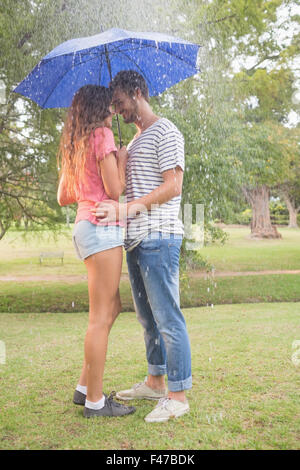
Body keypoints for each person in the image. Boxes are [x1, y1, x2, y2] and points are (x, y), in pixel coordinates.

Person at [93, 71, 192, 423]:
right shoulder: (134, 142)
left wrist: (125, 209)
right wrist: (121, 159)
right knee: (147, 319)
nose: (116, 110)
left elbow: (173, 186)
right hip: (135, 239)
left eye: (120, 102)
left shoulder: (166, 131)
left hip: (160, 236)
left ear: (137, 93)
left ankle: (177, 395)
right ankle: (155, 381)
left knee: (168, 317)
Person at [57, 84, 135, 418]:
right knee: (100, 319)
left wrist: (90, 184)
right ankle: (96, 402)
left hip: (85, 228)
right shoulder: (102, 135)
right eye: (110, 105)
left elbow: (64, 195)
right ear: (100, 107)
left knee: (112, 307)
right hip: (102, 228)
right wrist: (119, 158)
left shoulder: (76, 144)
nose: (114, 109)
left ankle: (84, 387)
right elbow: (116, 190)